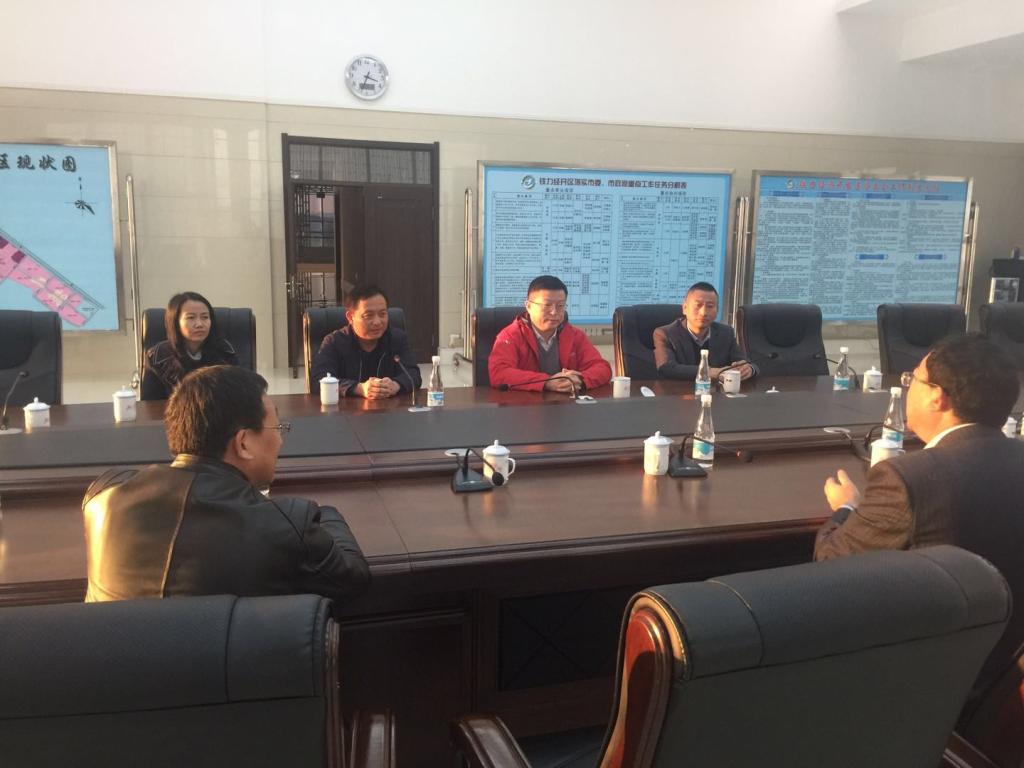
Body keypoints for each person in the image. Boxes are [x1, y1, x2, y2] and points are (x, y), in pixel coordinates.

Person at [816, 334, 1024, 705]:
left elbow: (832, 565)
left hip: (925, 688)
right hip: (1004, 678)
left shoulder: (910, 478)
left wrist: (847, 509)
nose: (907, 386)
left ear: (938, 397)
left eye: (913, 379)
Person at [83, 365, 371, 602]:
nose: (280, 440)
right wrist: (326, 513)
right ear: (243, 443)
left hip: (110, 659)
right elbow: (354, 578)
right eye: (277, 428)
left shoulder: (104, 495)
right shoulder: (287, 525)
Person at [488, 275, 612, 393]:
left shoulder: (575, 335)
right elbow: (499, 373)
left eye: (560, 305)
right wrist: (547, 382)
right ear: (529, 306)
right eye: (547, 305)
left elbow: (602, 368)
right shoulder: (510, 336)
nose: (554, 312)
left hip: (567, 405)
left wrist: (579, 379)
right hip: (526, 405)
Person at [311, 284, 421, 398]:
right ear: (350, 317)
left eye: (382, 314)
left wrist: (396, 385)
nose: (377, 322)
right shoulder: (334, 342)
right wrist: (359, 388)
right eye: (369, 315)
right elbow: (318, 380)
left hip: (389, 407)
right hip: (347, 408)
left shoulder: (397, 338)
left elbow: (414, 375)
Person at [141, 291, 239, 400]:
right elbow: (149, 404)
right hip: (171, 411)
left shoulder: (225, 352)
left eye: (205, 317)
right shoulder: (157, 357)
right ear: (175, 322)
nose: (199, 324)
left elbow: (238, 395)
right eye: (191, 318)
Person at [653, 282, 755, 381]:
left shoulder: (726, 333)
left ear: (717, 310)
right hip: (678, 391)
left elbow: (745, 362)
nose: (703, 312)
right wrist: (711, 372)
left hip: (715, 392)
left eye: (710, 306)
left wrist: (749, 369)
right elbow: (667, 368)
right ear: (684, 308)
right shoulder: (666, 334)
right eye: (698, 305)